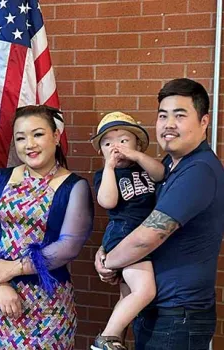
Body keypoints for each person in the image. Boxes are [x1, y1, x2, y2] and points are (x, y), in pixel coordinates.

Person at [95, 78, 224, 350]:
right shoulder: (168, 165)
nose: (169, 124)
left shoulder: (198, 170)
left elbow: (147, 237)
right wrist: (105, 249)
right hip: (158, 309)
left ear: (204, 122)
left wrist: (109, 261)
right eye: (163, 115)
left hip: (179, 314)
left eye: (180, 115)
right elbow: (129, 215)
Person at [0, 105, 94, 349]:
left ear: (56, 136)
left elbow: (68, 246)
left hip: (49, 306)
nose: (29, 144)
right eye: (21, 138)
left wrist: (14, 268)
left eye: (38, 134)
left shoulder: (75, 186)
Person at [90, 112, 164, 350]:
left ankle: (114, 341)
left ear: (138, 144)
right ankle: (107, 337)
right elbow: (108, 202)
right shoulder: (105, 174)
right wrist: (110, 168)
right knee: (145, 290)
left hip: (144, 232)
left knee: (128, 295)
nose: (116, 147)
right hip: (123, 232)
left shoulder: (145, 168)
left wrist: (138, 157)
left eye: (123, 140)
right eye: (108, 142)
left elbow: (161, 173)